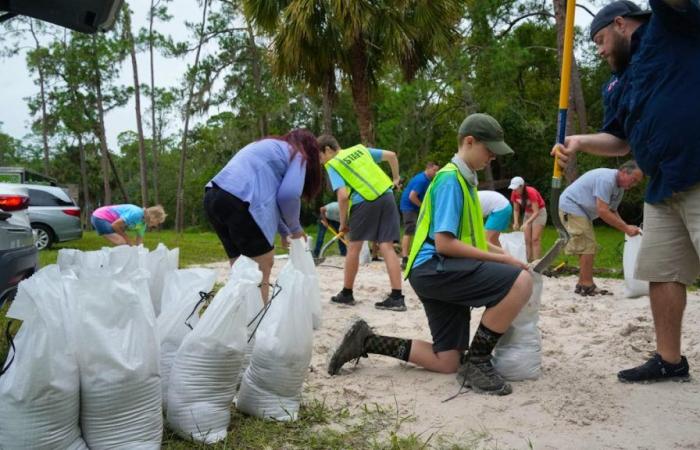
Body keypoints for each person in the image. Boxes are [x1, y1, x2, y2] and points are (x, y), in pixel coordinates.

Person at [326, 113, 533, 396]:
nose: (492, 158)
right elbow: (445, 244)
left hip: (433, 270)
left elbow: (470, 240)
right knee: (521, 282)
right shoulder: (451, 180)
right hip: (436, 266)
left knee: (446, 361)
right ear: (469, 142)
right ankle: (478, 361)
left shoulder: (464, 180)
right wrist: (506, 262)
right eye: (490, 151)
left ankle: (367, 342)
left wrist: (506, 255)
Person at [553, 0, 699, 383]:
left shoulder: (671, 27)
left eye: (601, 40)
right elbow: (619, 142)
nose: (599, 50)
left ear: (621, 23)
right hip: (662, 187)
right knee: (662, 272)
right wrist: (580, 141)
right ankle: (670, 360)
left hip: (697, 170)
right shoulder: (616, 83)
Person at [203, 129, 322, 301]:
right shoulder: (298, 154)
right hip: (240, 201)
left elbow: (271, 198)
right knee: (261, 269)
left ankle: (236, 320)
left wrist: (284, 231)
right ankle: (257, 324)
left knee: (241, 269)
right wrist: (295, 230)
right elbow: (288, 195)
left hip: (213, 196)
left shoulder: (267, 146)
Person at [317, 134, 405, 311]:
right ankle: (397, 297)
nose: (320, 162)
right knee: (386, 246)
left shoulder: (333, 164)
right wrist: (395, 179)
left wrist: (343, 223)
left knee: (354, 248)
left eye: (319, 157)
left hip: (364, 200)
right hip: (387, 195)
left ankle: (347, 293)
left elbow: (342, 196)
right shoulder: (360, 150)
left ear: (327, 150)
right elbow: (392, 155)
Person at [559, 162, 644, 296]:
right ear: (623, 172)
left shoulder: (619, 188)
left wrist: (626, 226)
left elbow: (612, 210)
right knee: (588, 244)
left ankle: (582, 283)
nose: (633, 185)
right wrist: (626, 229)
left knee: (585, 244)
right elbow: (603, 211)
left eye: (636, 183)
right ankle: (587, 285)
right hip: (571, 205)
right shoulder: (607, 180)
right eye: (633, 180)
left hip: (581, 210)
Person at [399, 162, 440, 269]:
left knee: (419, 230)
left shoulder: (427, 179)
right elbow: (412, 196)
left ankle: (417, 255)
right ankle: (405, 259)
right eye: (434, 170)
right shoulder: (421, 180)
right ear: (428, 168)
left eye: (437, 171)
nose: (436, 173)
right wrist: (423, 207)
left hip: (414, 206)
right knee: (409, 231)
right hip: (409, 206)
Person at [509, 177, 547, 262]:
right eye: (513, 188)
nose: (514, 190)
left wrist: (526, 223)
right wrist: (515, 222)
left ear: (521, 186)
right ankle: (528, 261)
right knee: (526, 239)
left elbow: (536, 211)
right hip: (528, 214)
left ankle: (536, 263)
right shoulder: (514, 193)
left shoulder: (531, 192)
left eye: (515, 188)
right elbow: (516, 209)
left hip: (539, 213)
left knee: (535, 239)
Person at [91, 204, 166, 246]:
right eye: (158, 222)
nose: (156, 225)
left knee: (126, 244)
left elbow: (139, 243)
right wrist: (128, 239)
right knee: (123, 242)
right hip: (100, 217)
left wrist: (140, 253)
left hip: (107, 221)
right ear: (153, 217)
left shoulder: (143, 225)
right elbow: (115, 225)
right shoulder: (137, 213)